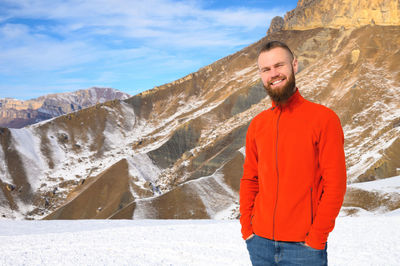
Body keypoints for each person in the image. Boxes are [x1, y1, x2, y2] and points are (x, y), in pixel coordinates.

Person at [239, 40, 347, 265]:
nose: (274, 73)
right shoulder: (257, 125)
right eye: (266, 69)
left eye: (279, 65)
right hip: (259, 244)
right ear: (260, 75)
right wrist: (247, 230)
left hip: (304, 248)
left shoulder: (324, 119)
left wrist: (316, 238)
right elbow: (250, 179)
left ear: (294, 65)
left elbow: (335, 185)